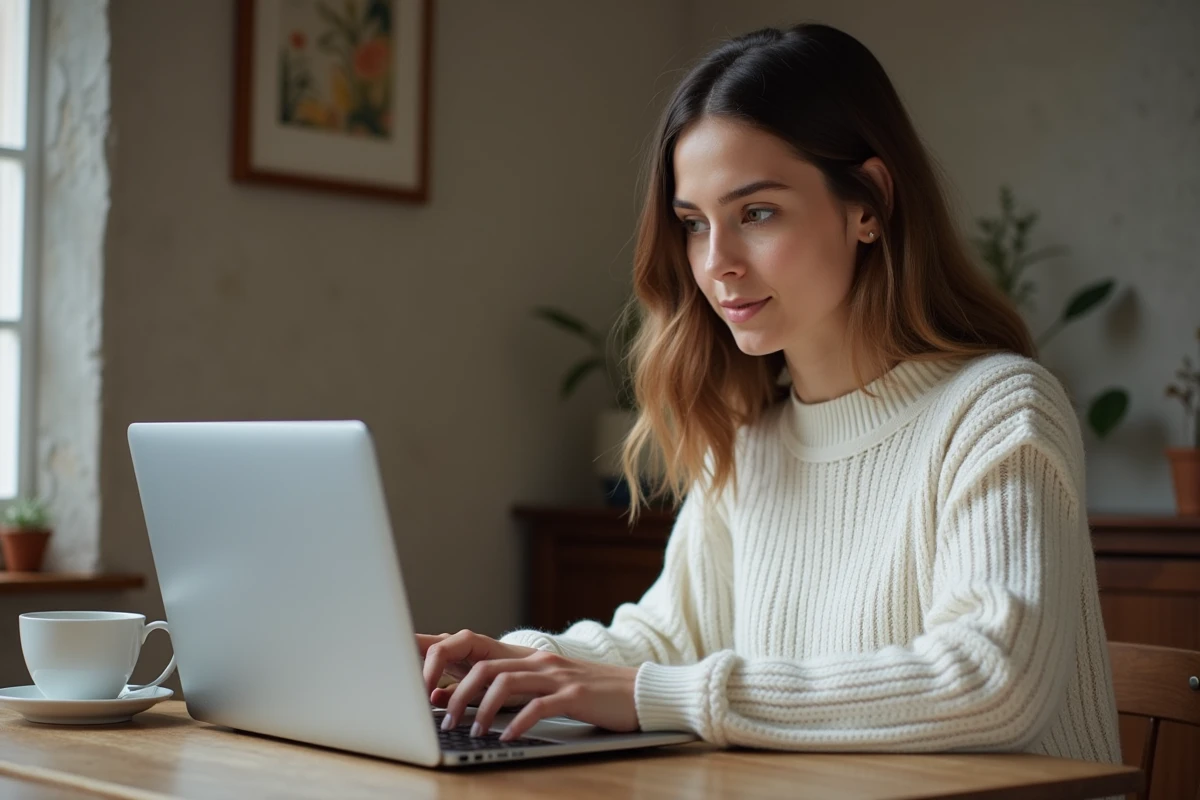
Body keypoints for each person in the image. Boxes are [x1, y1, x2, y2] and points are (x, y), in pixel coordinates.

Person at [418, 22, 1122, 763]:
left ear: (868, 203)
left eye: (755, 213)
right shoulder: (754, 439)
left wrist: (654, 694)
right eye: (694, 224)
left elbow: (991, 679)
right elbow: (663, 639)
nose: (716, 263)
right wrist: (494, 667)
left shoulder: (999, 409)